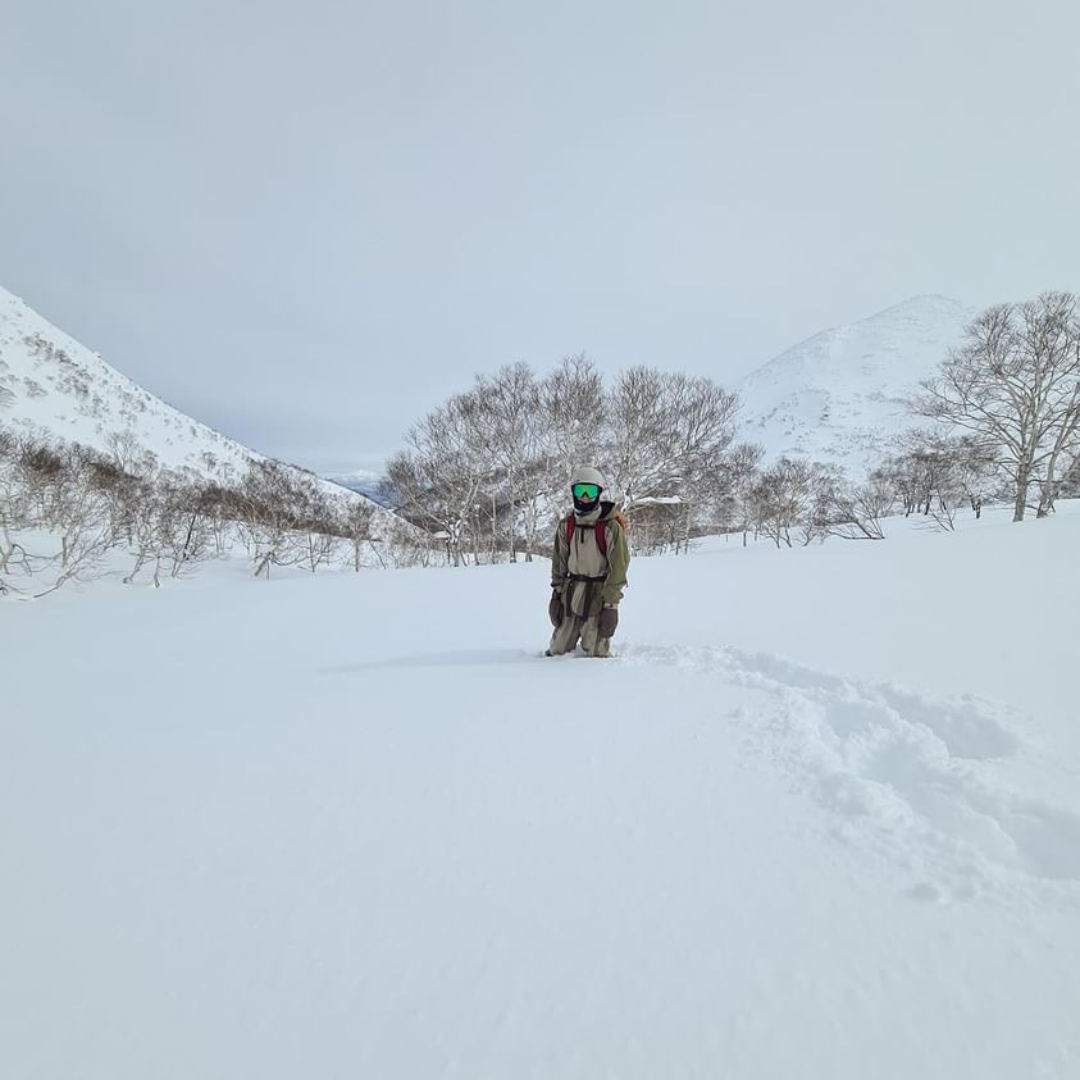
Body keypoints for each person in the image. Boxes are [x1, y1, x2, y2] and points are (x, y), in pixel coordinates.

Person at [546, 466, 630, 658]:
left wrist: (611, 606)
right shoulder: (566, 526)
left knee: (595, 653)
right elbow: (559, 562)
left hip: (597, 595)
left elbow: (618, 567)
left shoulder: (610, 527)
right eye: (580, 490)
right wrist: (556, 594)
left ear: (598, 493)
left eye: (590, 491)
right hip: (570, 592)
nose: (585, 496)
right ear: (573, 493)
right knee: (557, 651)